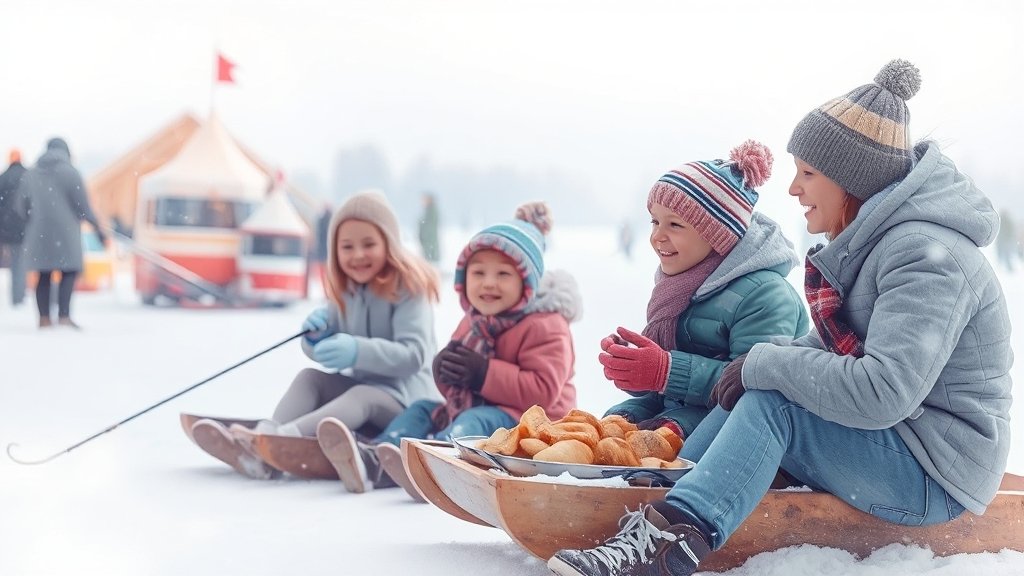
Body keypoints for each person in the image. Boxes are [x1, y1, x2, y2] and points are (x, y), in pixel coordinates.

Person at [549, 59, 1012, 576]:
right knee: (761, 382)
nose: (794, 189)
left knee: (774, 400)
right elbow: (828, 351)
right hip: (901, 444)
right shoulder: (883, 245)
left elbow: (884, 392)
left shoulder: (928, 256)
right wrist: (755, 366)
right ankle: (669, 494)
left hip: (936, 473)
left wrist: (761, 365)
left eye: (808, 174)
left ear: (849, 182)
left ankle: (662, 549)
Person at [318, 201, 582, 498]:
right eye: (478, 273)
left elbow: (542, 391)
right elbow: (456, 384)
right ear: (463, 280)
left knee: (470, 422)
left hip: (529, 422)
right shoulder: (473, 322)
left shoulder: (546, 325)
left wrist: (483, 373)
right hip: (477, 407)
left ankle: (435, 469)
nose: (489, 284)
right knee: (422, 410)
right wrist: (445, 370)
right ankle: (379, 455)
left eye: (503, 275)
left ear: (527, 284)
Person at [190, 189, 442, 480]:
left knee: (360, 395)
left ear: (390, 244)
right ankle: (264, 437)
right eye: (347, 247)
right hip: (365, 392)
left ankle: (283, 441)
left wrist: (357, 350)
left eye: (369, 244)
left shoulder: (409, 289)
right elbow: (330, 349)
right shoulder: (346, 291)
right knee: (309, 378)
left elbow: (414, 356)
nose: (358, 255)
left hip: (410, 402)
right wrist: (314, 339)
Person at [600, 140, 809, 440]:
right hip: (686, 405)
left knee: (654, 440)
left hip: (744, 425)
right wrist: (633, 365)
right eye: (655, 221)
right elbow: (666, 387)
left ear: (717, 235)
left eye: (675, 225)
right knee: (611, 425)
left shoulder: (766, 295)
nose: (657, 236)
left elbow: (751, 388)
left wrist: (665, 371)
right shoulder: (681, 285)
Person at [20, 138, 106, 328]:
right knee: (69, 271)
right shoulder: (71, 173)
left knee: (43, 274)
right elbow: (82, 206)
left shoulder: (30, 174)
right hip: (66, 232)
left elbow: (21, 207)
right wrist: (97, 227)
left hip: (39, 232)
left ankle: (44, 318)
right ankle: (64, 316)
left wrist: (34, 221)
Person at [0, 149, 29, 306]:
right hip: (24, 226)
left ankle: (16, 296)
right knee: (20, 261)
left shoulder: (3, 177)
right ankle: (19, 296)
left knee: (13, 262)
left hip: (6, 228)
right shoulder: (27, 176)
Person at [418, 192, 441, 264]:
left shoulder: (432, 211)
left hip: (429, 242)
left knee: (430, 261)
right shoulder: (428, 211)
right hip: (427, 241)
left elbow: (429, 227)